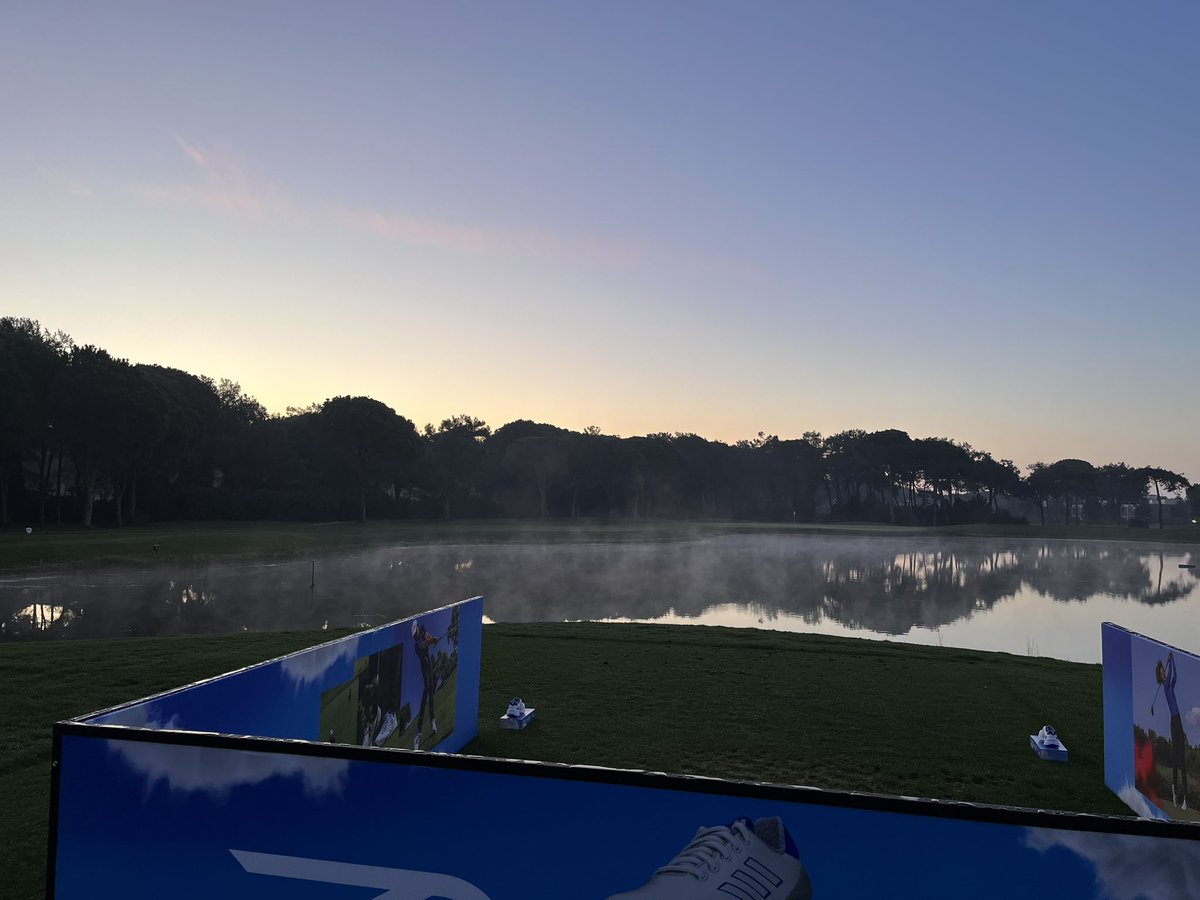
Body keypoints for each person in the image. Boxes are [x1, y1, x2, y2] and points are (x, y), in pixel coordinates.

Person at [1157, 652, 1190, 810]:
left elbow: (1175, 675)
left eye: (1163, 671)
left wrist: (1172, 662)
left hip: (1179, 722)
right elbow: (1170, 676)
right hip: (1173, 723)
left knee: (1181, 760)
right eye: (1161, 672)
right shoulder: (1165, 687)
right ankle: (1175, 791)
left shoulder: (1170, 686)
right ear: (1160, 677)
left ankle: (1185, 799)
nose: (1164, 673)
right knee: (1176, 760)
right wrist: (1169, 662)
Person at [412, 619, 440, 750]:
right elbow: (423, 645)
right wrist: (431, 641)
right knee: (427, 688)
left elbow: (428, 637)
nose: (417, 632)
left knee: (431, 690)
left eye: (416, 630)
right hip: (424, 666)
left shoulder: (422, 632)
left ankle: (433, 722)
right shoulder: (416, 644)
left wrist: (432, 639)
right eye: (415, 632)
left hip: (429, 664)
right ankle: (418, 732)